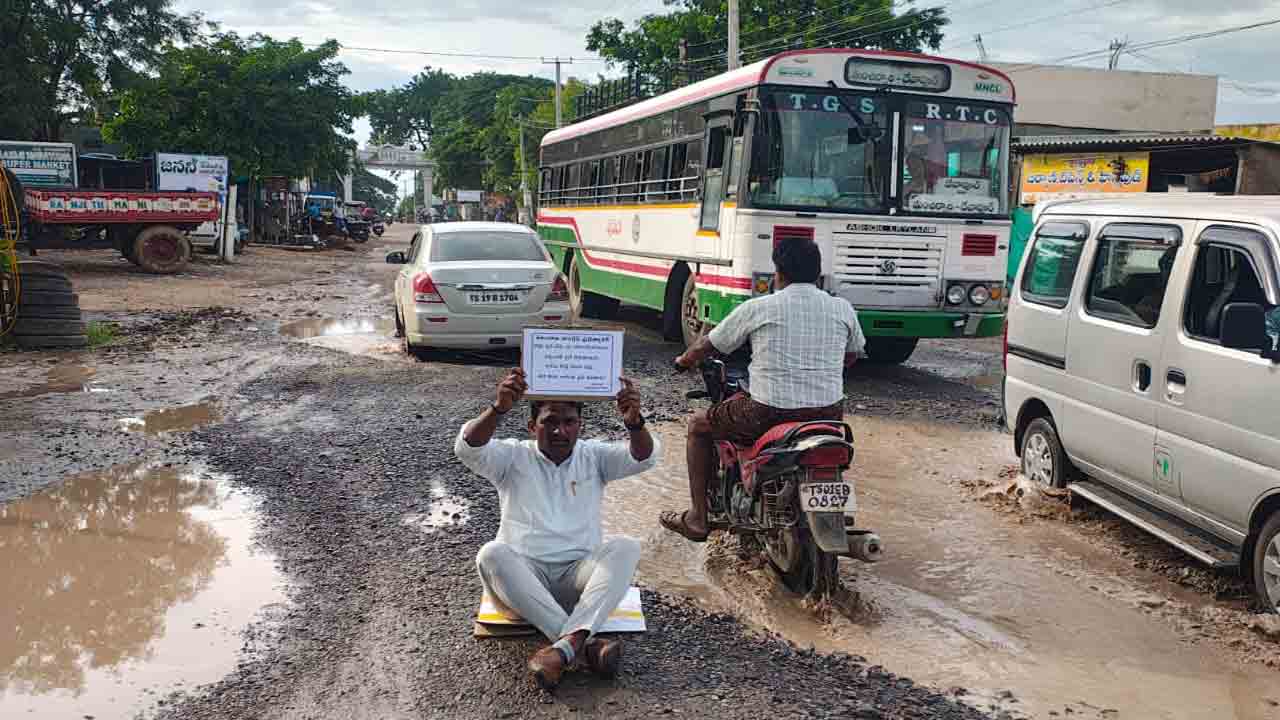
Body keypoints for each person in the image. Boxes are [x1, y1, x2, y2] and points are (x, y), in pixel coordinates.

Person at [455, 369, 659, 689]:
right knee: (491, 554)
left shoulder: (593, 456)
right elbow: (467, 448)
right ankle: (585, 645)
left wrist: (635, 421)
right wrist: (499, 407)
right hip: (523, 582)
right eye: (549, 421)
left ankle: (562, 649)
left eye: (568, 422)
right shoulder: (512, 455)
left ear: (580, 426)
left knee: (627, 546)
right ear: (532, 426)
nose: (559, 430)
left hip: (577, 580)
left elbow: (644, 458)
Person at [660, 237, 864, 541]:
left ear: (778, 273)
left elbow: (710, 344)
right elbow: (853, 353)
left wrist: (684, 360)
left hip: (768, 413)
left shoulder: (760, 306)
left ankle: (698, 518)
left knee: (699, 425)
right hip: (829, 414)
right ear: (818, 274)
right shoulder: (842, 308)